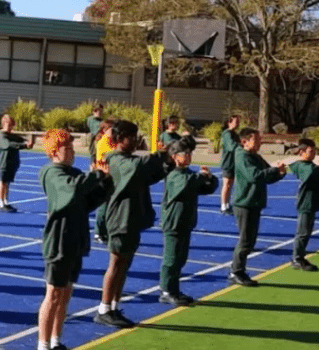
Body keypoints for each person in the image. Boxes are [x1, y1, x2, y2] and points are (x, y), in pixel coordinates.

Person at [32, 129, 108, 350]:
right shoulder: (51, 173)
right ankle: (42, 347)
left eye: (74, 149)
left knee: (65, 294)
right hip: (58, 241)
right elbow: (72, 190)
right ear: (54, 152)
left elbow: (87, 202)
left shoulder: (73, 173)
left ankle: (56, 342)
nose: (73, 153)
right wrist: (95, 175)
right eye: (68, 149)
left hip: (75, 239)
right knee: (53, 294)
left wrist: (105, 182)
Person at [95, 120, 172, 328]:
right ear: (120, 140)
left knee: (124, 264)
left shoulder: (129, 159)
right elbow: (138, 167)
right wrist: (158, 155)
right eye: (133, 137)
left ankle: (113, 306)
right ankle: (104, 308)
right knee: (116, 263)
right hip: (120, 218)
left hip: (132, 217)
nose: (137, 140)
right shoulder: (116, 160)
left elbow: (149, 175)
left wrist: (167, 163)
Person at [158, 136, 217, 305]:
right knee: (171, 258)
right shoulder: (173, 175)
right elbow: (185, 184)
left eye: (190, 153)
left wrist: (210, 178)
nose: (188, 156)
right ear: (175, 156)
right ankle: (166, 290)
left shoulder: (189, 175)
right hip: (173, 222)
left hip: (185, 221)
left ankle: (174, 289)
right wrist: (201, 177)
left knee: (180, 258)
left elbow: (206, 188)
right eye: (185, 154)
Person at [229, 128, 287, 285]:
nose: (260, 143)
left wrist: (279, 173)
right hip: (244, 203)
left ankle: (239, 270)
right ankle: (236, 271)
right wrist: (273, 170)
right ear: (245, 141)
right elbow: (254, 176)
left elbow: (267, 176)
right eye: (256, 140)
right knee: (245, 240)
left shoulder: (256, 157)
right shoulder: (242, 156)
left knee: (250, 240)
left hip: (255, 202)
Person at [288, 138, 319, 271]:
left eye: (314, 151)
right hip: (305, 202)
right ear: (301, 151)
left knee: (307, 231)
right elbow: (313, 174)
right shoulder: (302, 166)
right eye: (310, 151)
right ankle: (297, 258)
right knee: (302, 232)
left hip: (312, 202)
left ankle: (301, 256)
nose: (313, 154)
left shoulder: (312, 166)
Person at [0, 113, 34, 212]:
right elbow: (9, 145)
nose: (10, 127)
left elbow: (20, 139)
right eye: (9, 125)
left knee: (7, 183)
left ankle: (6, 201)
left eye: (12, 125)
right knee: (3, 182)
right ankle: (1, 203)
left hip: (12, 162)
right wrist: (24, 145)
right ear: (3, 124)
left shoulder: (11, 135)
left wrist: (28, 142)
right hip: (4, 162)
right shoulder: (2, 136)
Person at [91, 119, 116, 243]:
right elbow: (112, 155)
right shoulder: (103, 142)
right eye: (112, 129)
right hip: (104, 177)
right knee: (104, 206)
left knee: (111, 206)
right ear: (106, 130)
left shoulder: (112, 142)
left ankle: (106, 231)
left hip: (112, 176)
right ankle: (98, 232)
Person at [219, 115, 241, 215]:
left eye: (238, 122)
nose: (237, 124)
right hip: (228, 162)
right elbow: (231, 146)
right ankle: (223, 206)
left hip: (234, 162)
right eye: (236, 121)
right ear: (229, 122)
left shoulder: (235, 134)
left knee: (231, 184)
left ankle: (228, 204)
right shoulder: (227, 134)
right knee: (226, 184)